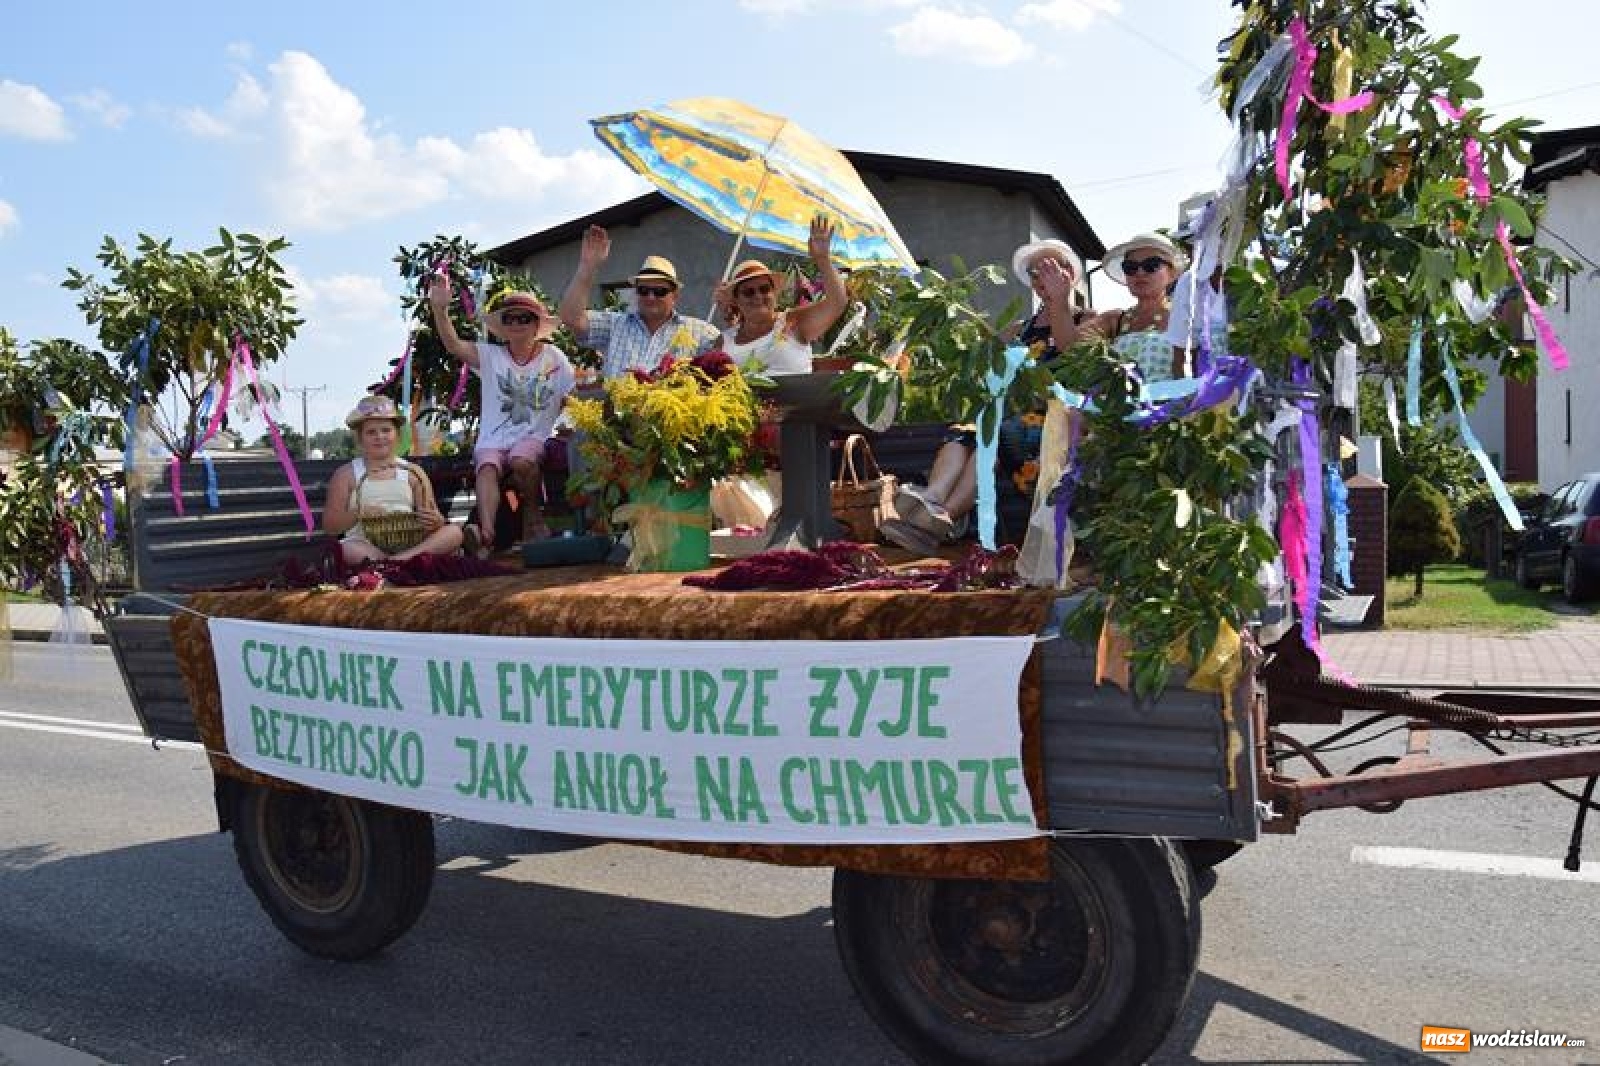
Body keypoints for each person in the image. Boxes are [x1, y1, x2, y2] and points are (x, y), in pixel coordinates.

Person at [880, 238, 1091, 557]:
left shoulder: (1088, 321)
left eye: (1053, 269)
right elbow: (985, 368)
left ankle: (942, 518)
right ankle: (933, 501)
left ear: (1071, 275)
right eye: (1037, 272)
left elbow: (1074, 356)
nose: (1043, 278)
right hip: (1013, 417)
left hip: (1058, 420)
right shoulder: (1019, 329)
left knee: (993, 435)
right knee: (963, 432)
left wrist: (1061, 302)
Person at [428, 284, 576, 548]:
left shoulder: (554, 357)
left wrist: (568, 427)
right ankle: (486, 535)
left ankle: (532, 520)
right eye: (509, 318)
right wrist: (440, 309)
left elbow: (572, 398)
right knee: (486, 468)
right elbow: (452, 345)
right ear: (503, 326)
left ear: (537, 325)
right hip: (493, 439)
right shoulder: (490, 355)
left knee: (521, 459)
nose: (517, 323)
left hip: (534, 437)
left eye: (524, 318)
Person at [324, 394, 466, 566]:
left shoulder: (413, 472)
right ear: (360, 438)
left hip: (411, 544)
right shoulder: (346, 474)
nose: (379, 436)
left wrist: (437, 521)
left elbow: (431, 519)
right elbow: (331, 526)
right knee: (347, 549)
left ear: (397, 434)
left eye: (386, 430)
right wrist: (357, 514)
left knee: (454, 533)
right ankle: (400, 563)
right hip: (365, 546)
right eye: (371, 432)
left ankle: (396, 562)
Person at [558, 227, 719, 379]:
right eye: (643, 290)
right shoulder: (615, 325)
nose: (650, 297)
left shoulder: (701, 332)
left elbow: (733, 356)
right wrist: (587, 266)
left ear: (675, 295)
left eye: (659, 292)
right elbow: (571, 318)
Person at [710, 216, 847, 375]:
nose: (758, 296)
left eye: (764, 289)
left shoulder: (793, 322)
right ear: (736, 301)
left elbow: (837, 303)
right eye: (749, 292)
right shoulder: (724, 342)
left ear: (774, 293)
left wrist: (823, 260)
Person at [1081, 232, 1188, 384]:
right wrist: (1058, 299)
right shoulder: (1115, 319)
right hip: (1121, 406)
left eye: (1151, 265)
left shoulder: (1186, 315)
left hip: (1171, 405)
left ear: (1171, 273)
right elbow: (1068, 345)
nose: (1140, 272)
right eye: (1130, 267)